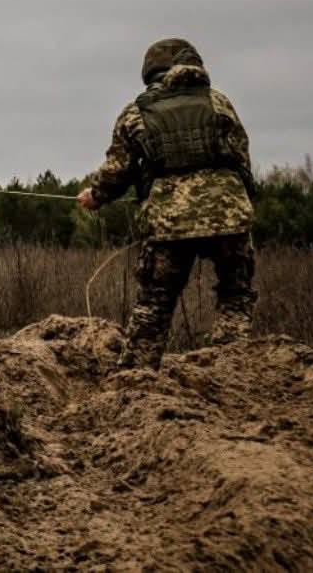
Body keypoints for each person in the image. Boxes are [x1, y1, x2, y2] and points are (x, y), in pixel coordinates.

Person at [77, 37, 256, 368]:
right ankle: (232, 373)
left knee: (156, 301)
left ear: (151, 72)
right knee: (236, 294)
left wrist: (95, 196)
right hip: (229, 213)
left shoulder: (136, 112)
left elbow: (118, 170)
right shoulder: (219, 102)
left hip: (169, 221)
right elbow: (242, 158)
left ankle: (136, 379)